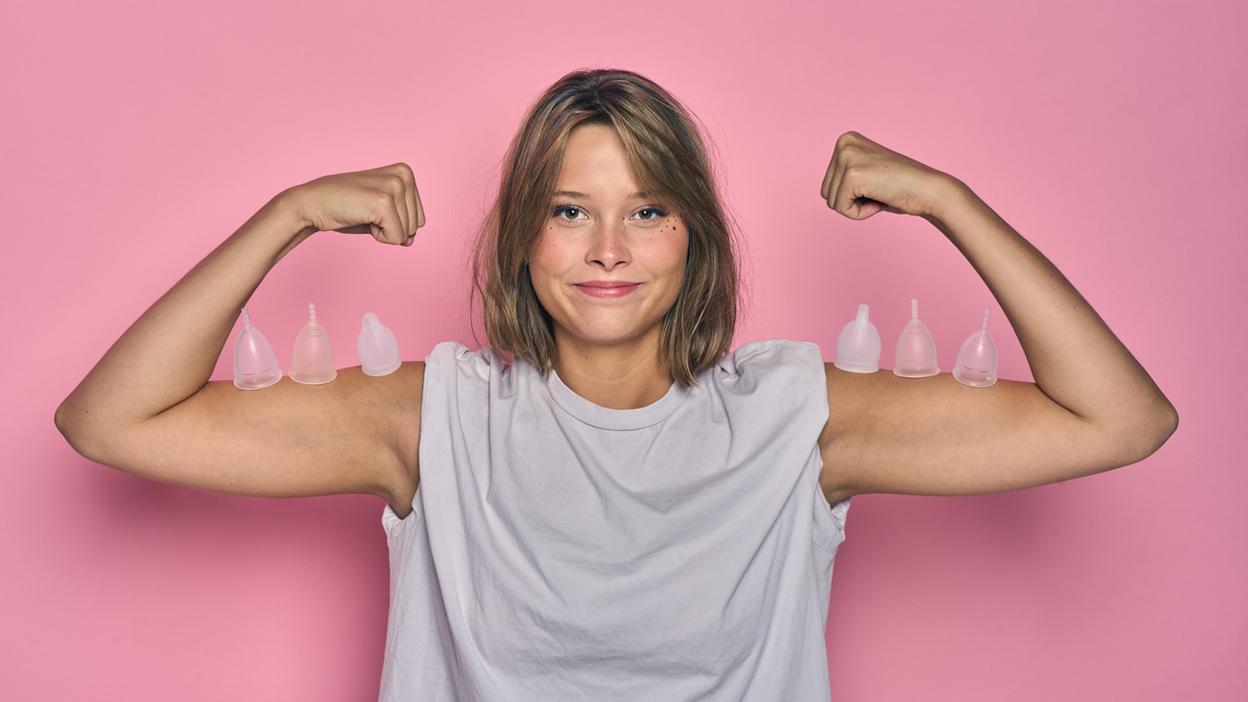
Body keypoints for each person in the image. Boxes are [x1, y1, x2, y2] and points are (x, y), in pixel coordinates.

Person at [55, 69, 1177, 701]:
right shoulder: (431, 418)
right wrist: (288, 214)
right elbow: (109, 421)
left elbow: (1121, 417)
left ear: (693, 235)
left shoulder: (799, 418)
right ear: (522, 241)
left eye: (646, 210)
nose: (608, 249)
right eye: (568, 210)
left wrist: (950, 199)